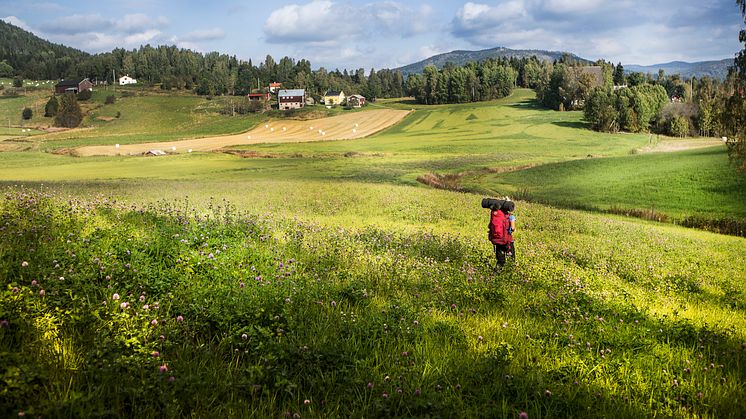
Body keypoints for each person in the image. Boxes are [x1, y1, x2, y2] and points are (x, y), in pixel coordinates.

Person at [488, 200, 515, 269]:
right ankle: (510, 271)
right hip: (507, 240)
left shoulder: (495, 214)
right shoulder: (510, 216)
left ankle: (498, 270)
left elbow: (489, 226)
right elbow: (513, 228)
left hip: (497, 239)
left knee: (500, 259)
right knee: (511, 258)